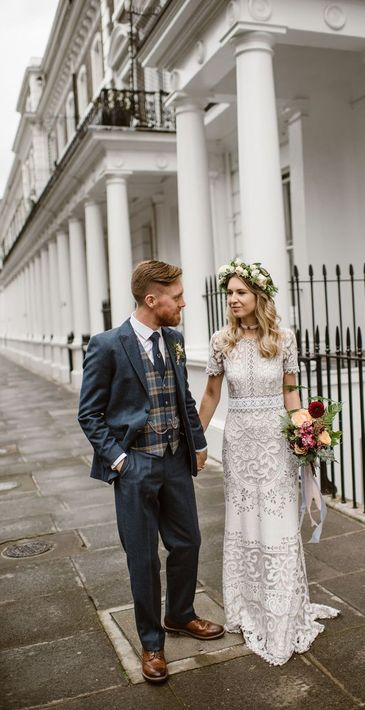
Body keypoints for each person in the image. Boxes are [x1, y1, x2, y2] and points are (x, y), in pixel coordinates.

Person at [78, 260, 224, 684]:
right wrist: (119, 460)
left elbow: (183, 395)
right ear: (151, 299)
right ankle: (151, 643)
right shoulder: (107, 345)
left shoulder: (174, 339)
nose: (183, 303)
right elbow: (89, 414)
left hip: (175, 460)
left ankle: (180, 614)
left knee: (188, 543)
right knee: (143, 559)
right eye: (177, 297)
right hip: (135, 465)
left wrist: (197, 442)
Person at [199, 259, 339, 666]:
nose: (233, 300)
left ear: (259, 296)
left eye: (240, 292)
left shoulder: (283, 339)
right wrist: (196, 438)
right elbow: (210, 395)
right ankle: (247, 607)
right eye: (229, 294)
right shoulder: (220, 340)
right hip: (240, 442)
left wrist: (304, 437)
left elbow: (291, 394)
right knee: (244, 520)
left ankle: (282, 613)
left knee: (277, 520)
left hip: (275, 444)